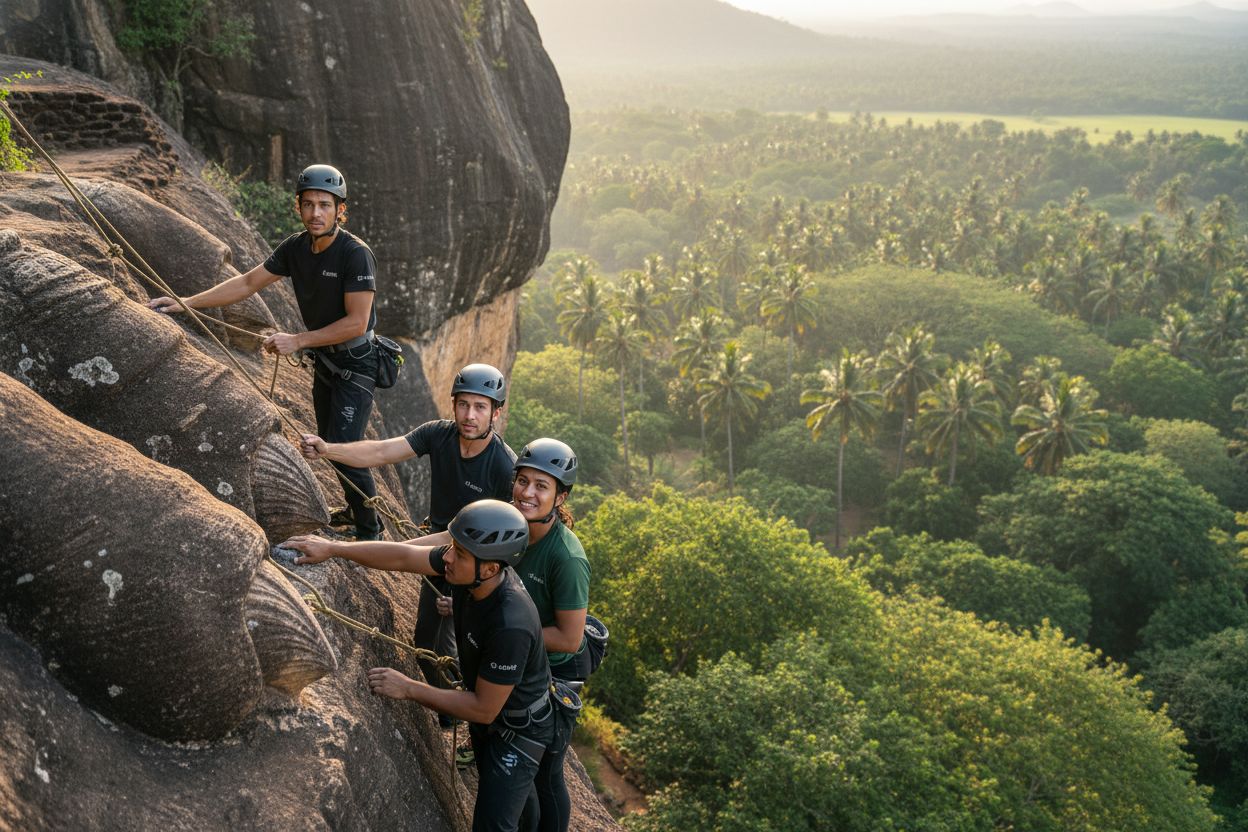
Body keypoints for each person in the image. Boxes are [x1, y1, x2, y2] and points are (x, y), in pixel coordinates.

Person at [283, 500, 562, 832]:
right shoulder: (472, 571)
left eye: (458, 553)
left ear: (490, 568)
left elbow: (483, 708)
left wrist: (409, 688)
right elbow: (402, 557)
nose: (446, 556)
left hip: (518, 730)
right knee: (520, 806)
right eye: (451, 547)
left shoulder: (510, 623)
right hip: (496, 718)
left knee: (492, 823)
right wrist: (334, 548)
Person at [147, 164, 384, 539]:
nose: (316, 213)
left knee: (340, 444)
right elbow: (248, 282)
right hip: (327, 360)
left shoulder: (355, 255)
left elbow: (357, 322)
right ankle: (357, 512)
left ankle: (370, 532)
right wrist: (186, 303)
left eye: (325, 205)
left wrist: (298, 340)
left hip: (356, 361)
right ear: (298, 207)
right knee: (329, 435)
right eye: (308, 205)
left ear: (341, 210)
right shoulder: (296, 248)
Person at [300, 363, 516, 700]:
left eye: (480, 407)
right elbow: (382, 450)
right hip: (445, 548)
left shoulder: (503, 468)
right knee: (428, 643)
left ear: (496, 413)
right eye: (463, 404)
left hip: (473, 562)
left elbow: (483, 545)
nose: (469, 415)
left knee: (439, 646)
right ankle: (453, 715)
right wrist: (329, 449)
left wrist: (362, 553)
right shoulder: (440, 435)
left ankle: (459, 715)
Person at [424, 438, 589, 832]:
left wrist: (500, 634)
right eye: (522, 481)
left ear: (561, 496)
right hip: (509, 656)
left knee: (546, 777)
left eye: (542, 486)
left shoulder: (566, 558)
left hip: (549, 675)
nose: (527, 493)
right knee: (519, 785)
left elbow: (569, 638)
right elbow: (444, 548)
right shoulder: (505, 525)